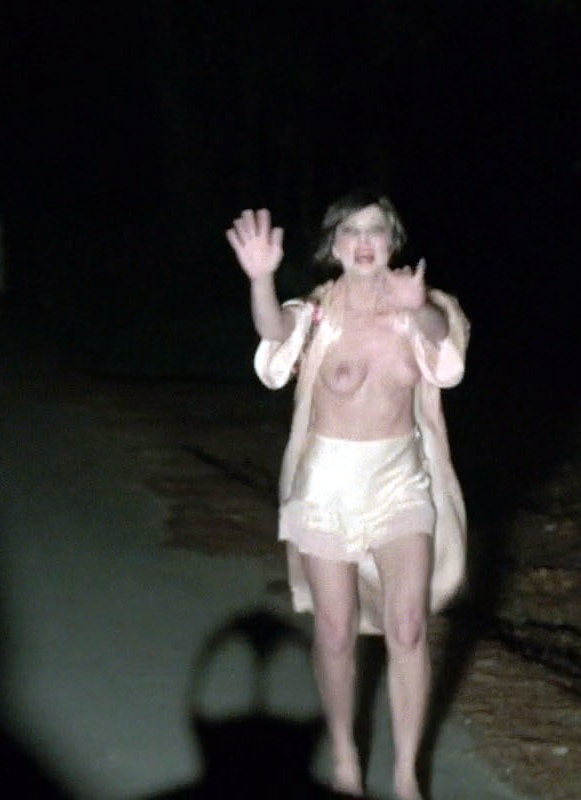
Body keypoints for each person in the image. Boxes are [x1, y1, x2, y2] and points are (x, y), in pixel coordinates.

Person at [226, 191, 469, 800]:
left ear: (393, 242)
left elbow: (447, 360)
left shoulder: (424, 306)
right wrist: (261, 279)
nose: (364, 241)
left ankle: (407, 776)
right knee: (334, 633)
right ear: (333, 246)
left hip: (400, 483)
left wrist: (419, 309)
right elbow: (275, 334)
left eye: (376, 230)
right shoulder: (317, 312)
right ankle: (344, 759)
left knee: (408, 627)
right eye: (351, 231)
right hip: (326, 487)